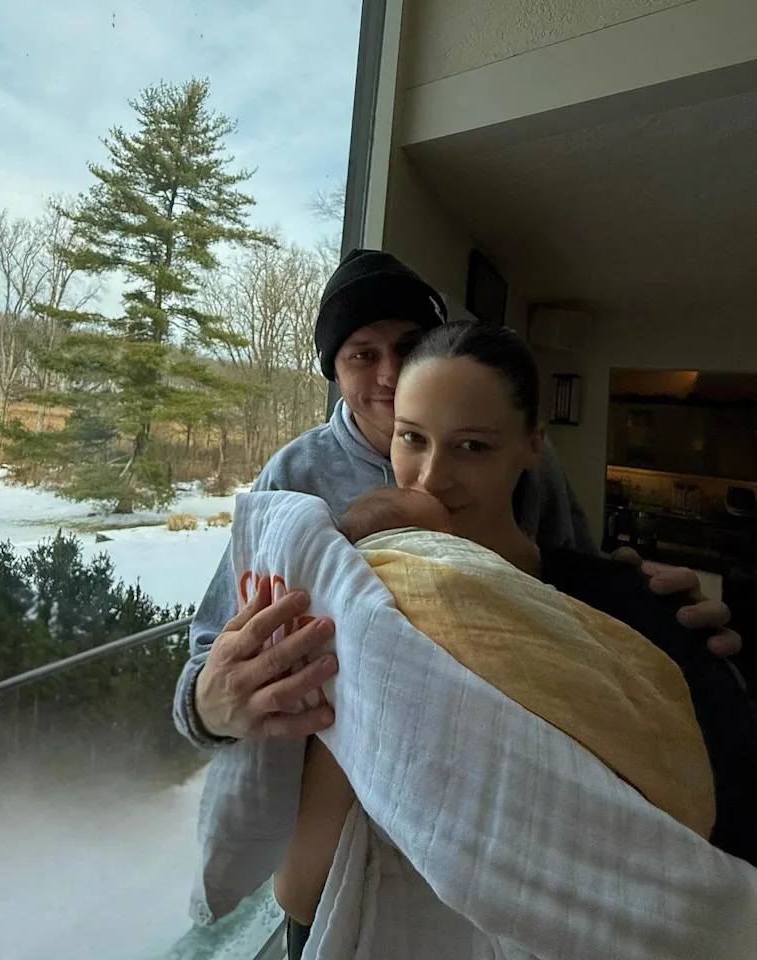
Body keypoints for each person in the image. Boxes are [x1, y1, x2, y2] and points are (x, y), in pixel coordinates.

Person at [273, 322, 757, 957]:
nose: (431, 478)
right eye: (412, 438)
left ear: (533, 446)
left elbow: (724, 828)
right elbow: (302, 891)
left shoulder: (638, 607)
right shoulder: (360, 605)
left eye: (472, 446)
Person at [173, 249, 740, 751]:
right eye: (363, 355)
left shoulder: (530, 463)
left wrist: (660, 618)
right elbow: (211, 653)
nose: (390, 375)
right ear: (334, 372)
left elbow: (572, 598)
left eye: (408, 347)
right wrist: (207, 709)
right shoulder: (293, 477)